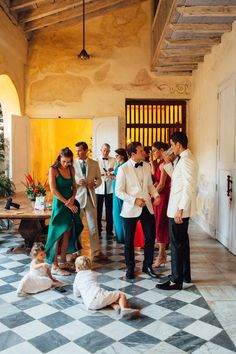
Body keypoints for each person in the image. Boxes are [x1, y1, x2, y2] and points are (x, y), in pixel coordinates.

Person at [157, 132, 198, 291]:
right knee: (182, 243)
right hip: (178, 208)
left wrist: (180, 209)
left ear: (178, 144)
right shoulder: (185, 158)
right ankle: (184, 274)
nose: (170, 148)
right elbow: (178, 178)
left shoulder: (186, 160)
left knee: (176, 245)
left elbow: (188, 186)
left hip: (178, 209)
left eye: (172, 145)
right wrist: (167, 164)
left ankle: (176, 280)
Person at [115, 141, 160, 279]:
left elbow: (150, 185)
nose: (144, 153)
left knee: (150, 238)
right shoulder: (123, 169)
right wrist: (134, 200)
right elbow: (119, 191)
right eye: (141, 151)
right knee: (129, 240)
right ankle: (130, 267)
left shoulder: (146, 166)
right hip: (130, 209)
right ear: (133, 154)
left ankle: (147, 266)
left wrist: (156, 195)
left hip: (147, 207)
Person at [46, 147, 83, 276]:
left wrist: (72, 199)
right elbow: (53, 190)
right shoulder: (53, 170)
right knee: (58, 233)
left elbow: (74, 187)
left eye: (68, 162)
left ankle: (63, 261)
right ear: (59, 159)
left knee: (67, 231)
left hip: (70, 203)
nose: (66, 164)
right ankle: (54, 266)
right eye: (64, 162)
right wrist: (67, 203)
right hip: (60, 205)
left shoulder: (71, 169)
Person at [73, 256, 139, 318]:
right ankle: (124, 309)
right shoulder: (92, 273)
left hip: (89, 304)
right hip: (98, 296)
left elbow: (76, 293)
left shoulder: (77, 277)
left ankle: (116, 307)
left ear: (78, 268)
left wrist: (80, 293)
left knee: (106, 299)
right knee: (121, 295)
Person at [74, 141, 106, 260]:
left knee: (93, 227)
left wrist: (95, 184)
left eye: (80, 150)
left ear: (86, 150)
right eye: (76, 150)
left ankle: (96, 251)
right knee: (77, 226)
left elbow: (99, 179)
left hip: (90, 198)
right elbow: (70, 179)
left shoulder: (94, 163)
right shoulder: (72, 163)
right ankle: (76, 251)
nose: (77, 153)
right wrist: (76, 182)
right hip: (77, 199)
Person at [150, 142, 171, 267]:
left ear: (161, 150)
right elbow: (157, 181)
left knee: (161, 224)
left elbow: (162, 184)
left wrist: (152, 195)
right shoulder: (159, 163)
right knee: (158, 224)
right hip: (159, 195)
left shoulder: (165, 164)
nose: (153, 153)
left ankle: (162, 255)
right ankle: (162, 254)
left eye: (154, 150)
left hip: (163, 197)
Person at [96, 143, 116, 238]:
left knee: (109, 210)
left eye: (107, 150)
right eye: (104, 150)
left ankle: (109, 231)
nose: (105, 152)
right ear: (101, 150)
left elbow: (116, 172)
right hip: (98, 188)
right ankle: (98, 230)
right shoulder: (96, 161)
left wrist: (111, 172)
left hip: (109, 187)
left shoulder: (114, 160)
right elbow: (94, 173)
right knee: (98, 210)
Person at [112, 148, 128, 243]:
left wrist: (112, 177)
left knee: (119, 212)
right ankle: (118, 235)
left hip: (119, 192)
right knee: (116, 213)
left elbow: (120, 178)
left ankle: (122, 236)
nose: (116, 157)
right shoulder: (118, 165)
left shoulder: (124, 166)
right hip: (115, 191)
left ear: (122, 156)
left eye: (117, 155)